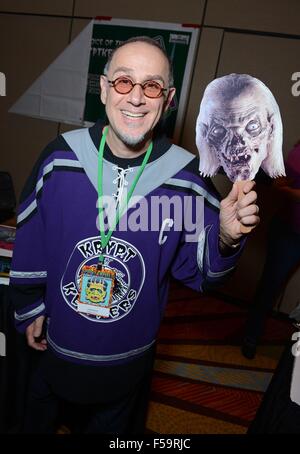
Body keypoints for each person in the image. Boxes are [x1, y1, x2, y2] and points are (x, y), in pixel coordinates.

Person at [9, 36, 260, 433]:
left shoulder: (185, 178)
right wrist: (30, 307)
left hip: (128, 359)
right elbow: (31, 238)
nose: (137, 98)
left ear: (168, 99)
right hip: (57, 345)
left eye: (152, 86)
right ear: (106, 88)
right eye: (124, 81)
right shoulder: (60, 159)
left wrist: (225, 238)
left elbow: (200, 273)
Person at [242, 140, 300, 359]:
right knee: (269, 286)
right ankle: (250, 337)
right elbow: (279, 183)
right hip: (291, 233)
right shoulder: (298, 153)